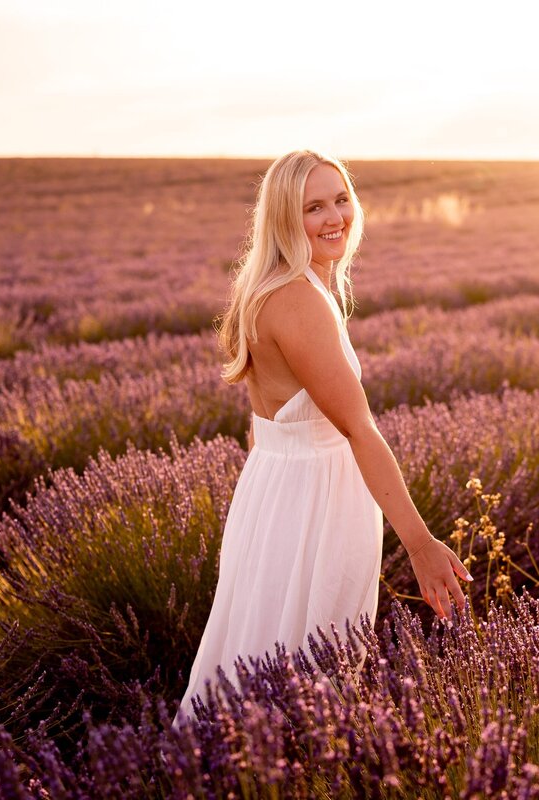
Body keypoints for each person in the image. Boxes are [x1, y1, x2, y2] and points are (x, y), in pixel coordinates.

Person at [175, 149, 472, 725]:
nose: (335, 216)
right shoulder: (301, 301)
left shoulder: (267, 289)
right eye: (314, 206)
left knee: (260, 647)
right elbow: (359, 430)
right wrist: (420, 544)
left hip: (274, 490)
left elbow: (267, 420)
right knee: (312, 672)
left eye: (341, 199)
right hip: (318, 501)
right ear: (284, 218)